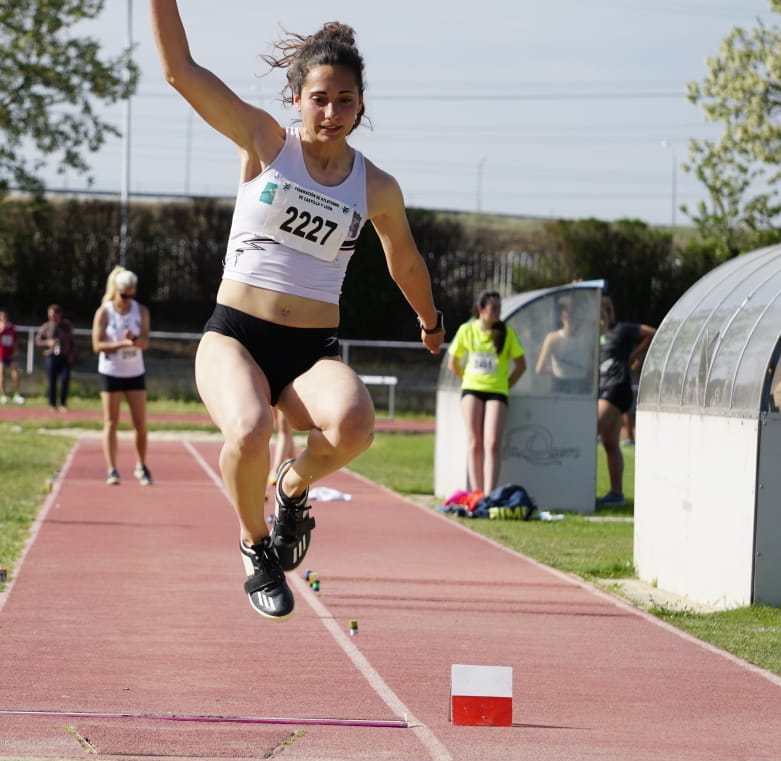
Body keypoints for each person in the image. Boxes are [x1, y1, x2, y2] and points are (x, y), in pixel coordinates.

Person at [152, 3, 445, 620]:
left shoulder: (375, 186)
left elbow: (406, 261)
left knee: (356, 424)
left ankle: (290, 487)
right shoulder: (264, 142)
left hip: (309, 352)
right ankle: (256, 547)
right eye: (320, 99)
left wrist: (430, 320)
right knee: (251, 428)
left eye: (345, 100)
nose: (332, 112)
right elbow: (180, 71)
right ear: (296, 99)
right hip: (234, 335)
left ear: (361, 104)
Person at [448, 290, 526, 496]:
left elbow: (521, 364)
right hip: (472, 389)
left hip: (497, 391)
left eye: (499, 308)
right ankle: (477, 492)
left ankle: (491, 493)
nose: (498, 312)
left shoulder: (506, 333)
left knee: (492, 443)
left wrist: (508, 383)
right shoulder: (467, 330)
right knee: (475, 441)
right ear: (481, 310)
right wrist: (466, 377)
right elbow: (452, 362)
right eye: (494, 308)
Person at [92, 268, 152, 486]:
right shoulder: (105, 312)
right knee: (111, 421)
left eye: (131, 295)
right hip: (111, 372)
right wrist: (120, 344)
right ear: (115, 291)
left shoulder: (141, 311)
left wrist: (134, 340)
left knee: (140, 423)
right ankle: (112, 469)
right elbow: (97, 345)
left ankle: (141, 465)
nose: (127, 300)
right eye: (123, 295)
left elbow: (145, 342)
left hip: (135, 372)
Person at [596, 295, 655, 506]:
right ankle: (616, 494)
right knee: (610, 443)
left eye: (610, 307)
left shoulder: (621, 329)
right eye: (603, 308)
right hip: (604, 389)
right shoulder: (597, 335)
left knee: (589, 432)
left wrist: (634, 356)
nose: (607, 311)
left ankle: (580, 491)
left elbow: (651, 332)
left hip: (616, 389)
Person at [532, 299, 589, 393]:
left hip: (579, 387)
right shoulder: (553, 338)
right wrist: (555, 371)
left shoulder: (586, 337)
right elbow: (539, 369)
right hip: (565, 387)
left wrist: (557, 371)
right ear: (563, 316)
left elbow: (540, 369)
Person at [35, 303, 77, 411]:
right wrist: (47, 342)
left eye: (54, 315)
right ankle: (52, 404)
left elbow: (73, 341)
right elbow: (38, 340)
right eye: (50, 315)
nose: (51, 317)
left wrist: (72, 354)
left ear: (59, 314)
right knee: (52, 381)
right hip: (51, 356)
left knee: (65, 379)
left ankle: (63, 404)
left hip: (64, 356)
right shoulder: (46, 326)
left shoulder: (67, 326)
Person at [0, 309, 23, 404]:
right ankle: (2, 396)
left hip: (11, 355)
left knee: (15, 373)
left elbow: (16, 341)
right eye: (2, 317)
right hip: (0, 355)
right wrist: (0, 331)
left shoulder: (12, 327)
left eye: (5, 317)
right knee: (1, 375)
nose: (3, 319)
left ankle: (16, 395)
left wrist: (16, 351)